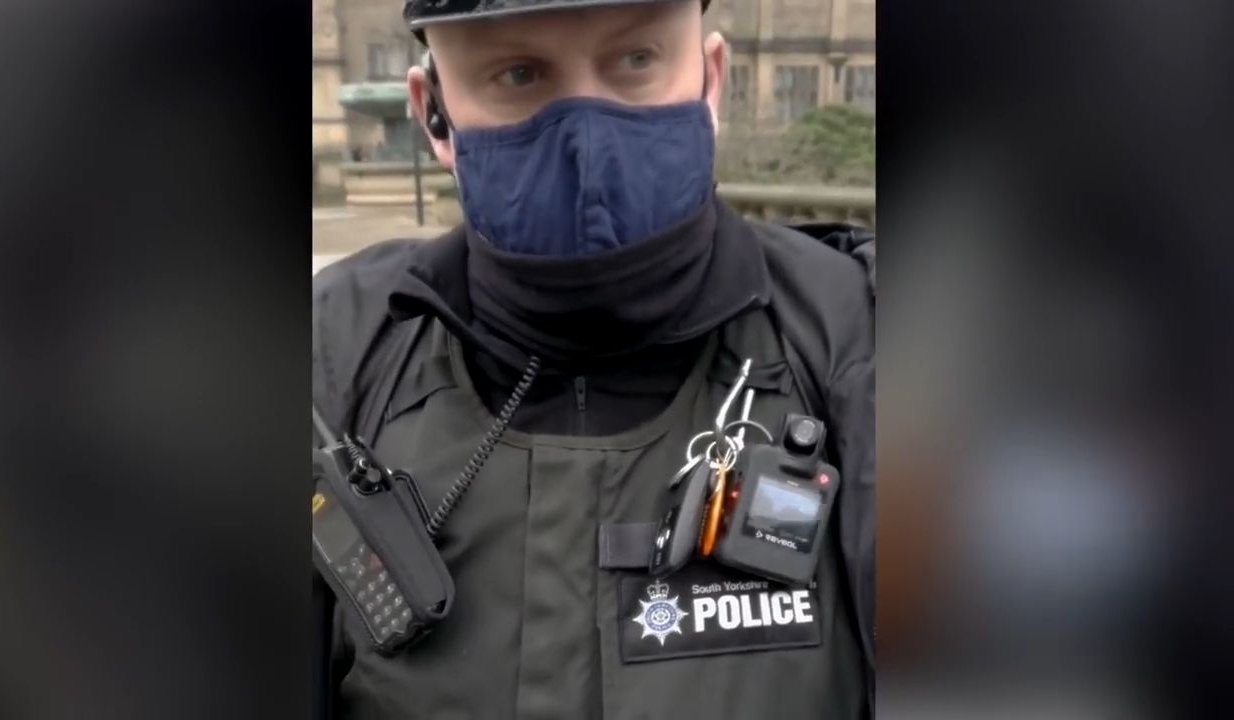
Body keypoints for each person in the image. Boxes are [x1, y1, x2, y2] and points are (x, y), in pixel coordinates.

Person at [311, 0, 875, 717]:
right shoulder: (338, 351)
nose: (585, 140)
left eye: (636, 59)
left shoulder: (853, 337)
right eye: (519, 74)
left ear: (711, 79)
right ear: (433, 114)